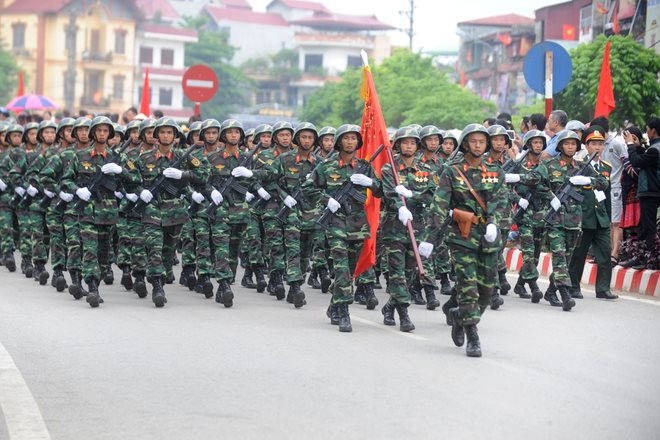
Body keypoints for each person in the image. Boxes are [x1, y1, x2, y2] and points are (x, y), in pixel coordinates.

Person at [419, 124, 507, 357]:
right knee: (468, 287)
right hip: (462, 236)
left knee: (487, 290)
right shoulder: (453, 170)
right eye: (474, 141)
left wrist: (493, 222)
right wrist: (429, 238)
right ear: (466, 144)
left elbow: (501, 200)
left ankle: (459, 316)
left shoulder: (495, 170)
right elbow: (440, 205)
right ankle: (473, 335)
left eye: (482, 141)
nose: (478, 145)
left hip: (488, 237)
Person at [304, 124, 383, 332]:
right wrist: (326, 199)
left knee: (350, 270)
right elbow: (307, 188)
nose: (350, 142)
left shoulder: (364, 166)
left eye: (353, 139)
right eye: (346, 138)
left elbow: (381, 192)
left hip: (358, 225)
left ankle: (334, 304)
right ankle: (345, 312)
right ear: (339, 142)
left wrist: (371, 183)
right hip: (336, 224)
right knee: (341, 270)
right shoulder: (327, 166)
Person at [61, 116, 125, 307]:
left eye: (106, 131)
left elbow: (134, 180)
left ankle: (95, 282)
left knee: (104, 254)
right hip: (88, 212)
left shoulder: (117, 157)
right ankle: (93, 288)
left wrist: (121, 171)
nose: (102, 134)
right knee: (89, 250)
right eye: (99, 130)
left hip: (108, 212)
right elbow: (66, 180)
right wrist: (77, 190)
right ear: (93, 133)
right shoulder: (79, 156)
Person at [568, 126, 617, 300]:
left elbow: (607, 193)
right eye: (594, 144)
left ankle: (603, 288)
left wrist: (609, 217)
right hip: (584, 217)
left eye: (600, 144)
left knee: (605, 254)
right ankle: (574, 286)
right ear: (587, 146)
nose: (597, 147)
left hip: (601, 217)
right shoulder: (579, 166)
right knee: (579, 254)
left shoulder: (607, 167)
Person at [510, 130, 552, 302]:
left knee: (534, 254)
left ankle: (520, 284)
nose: (538, 145)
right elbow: (504, 188)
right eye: (534, 142)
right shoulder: (518, 164)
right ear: (528, 145)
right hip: (524, 214)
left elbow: (539, 183)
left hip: (540, 214)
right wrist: (517, 199)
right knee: (527, 252)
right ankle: (534, 287)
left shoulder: (544, 166)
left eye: (540, 143)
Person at [591, 116, 628, 266]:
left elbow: (627, 163)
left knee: (615, 222)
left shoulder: (617, 144)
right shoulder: (596, 146)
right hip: (601, 188)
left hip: (615, 188)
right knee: (604, 222)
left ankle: (615, 254)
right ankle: (605, 252)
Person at [626, 117, 660, 270]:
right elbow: (643, 158)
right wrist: (638, 147)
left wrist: (630, 144)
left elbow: (636, 162)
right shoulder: (654, 148)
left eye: (647, 129)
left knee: (649, 227)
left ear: (653, 130)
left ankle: (648, 259)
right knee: (645, 226)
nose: (646, 132)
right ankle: (642, 257)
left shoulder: (655, 149)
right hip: (653, 191)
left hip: (651, 191)